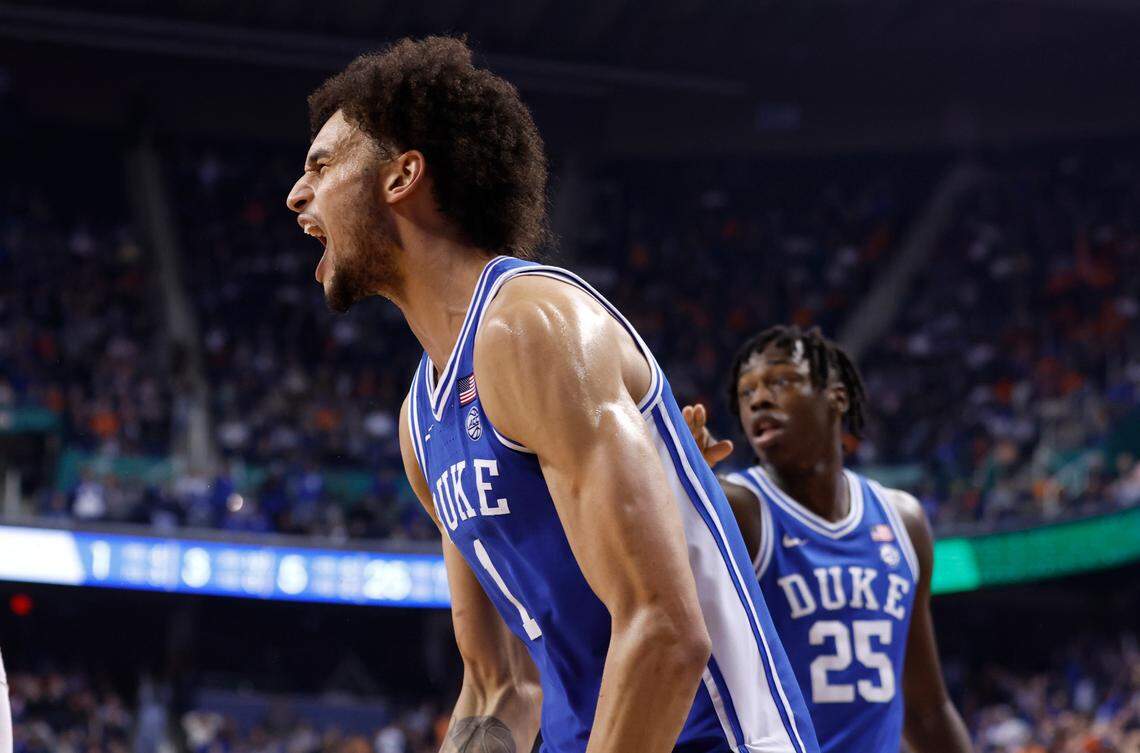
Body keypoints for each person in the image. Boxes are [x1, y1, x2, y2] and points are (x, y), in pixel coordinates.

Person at [286, 37, 818, 753]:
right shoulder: (422, 420)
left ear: (402, 175)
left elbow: (664, 631)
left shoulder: (532, 324)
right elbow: (500, 685)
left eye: (322, 165)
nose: (297, 193)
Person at [683, 325, 971, 753]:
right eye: (746, 393)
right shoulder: (738, 509)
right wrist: (681, 490)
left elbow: (926, 709)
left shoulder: (903, 520)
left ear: (837, 395)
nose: (759, 399)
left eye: (781, 380)